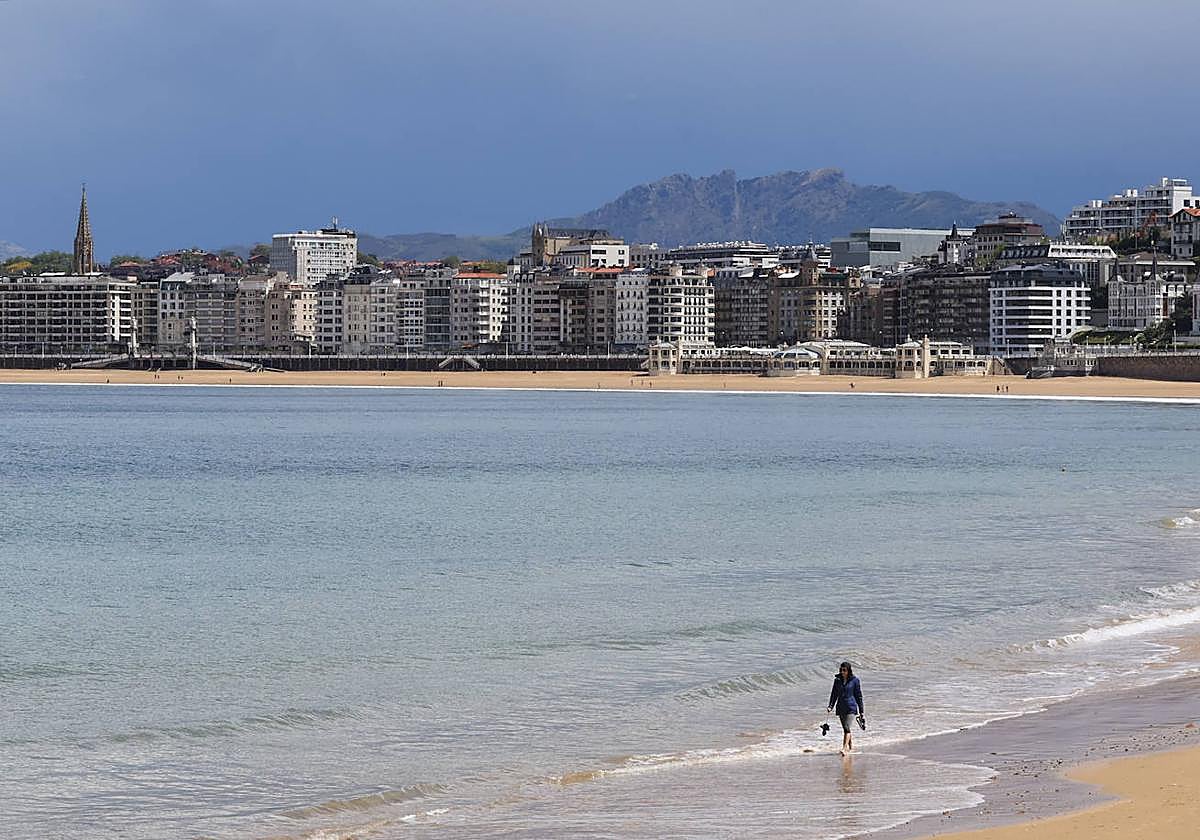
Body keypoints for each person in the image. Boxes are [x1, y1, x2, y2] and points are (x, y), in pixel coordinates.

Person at [826, 660, 864, 755]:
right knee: (846, 729)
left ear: (848, 671)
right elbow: (834, 694)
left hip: (851, 707)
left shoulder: (855, 680)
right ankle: (851, 747)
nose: (842, 672)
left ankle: (844, 748)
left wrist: (861, 711)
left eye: (844, 670)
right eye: (841, 670)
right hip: (840, 707)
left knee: (847, 727)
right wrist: (830, 706)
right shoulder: (837, 681)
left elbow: (858, 696)